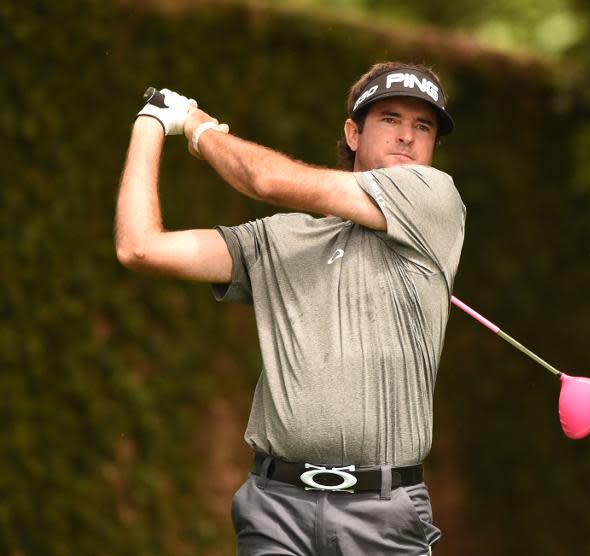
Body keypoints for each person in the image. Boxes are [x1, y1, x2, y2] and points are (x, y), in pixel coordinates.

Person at [115, 61, 465, 555]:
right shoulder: (278, 240)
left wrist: (195, 125)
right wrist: (149, 125)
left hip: (384, 517)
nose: (407, 136)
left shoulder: (434, 199)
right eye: (390, 118)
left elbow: (264, 180)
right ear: (353, 133)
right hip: (277, 510)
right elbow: (140, 248)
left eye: (423, 126)